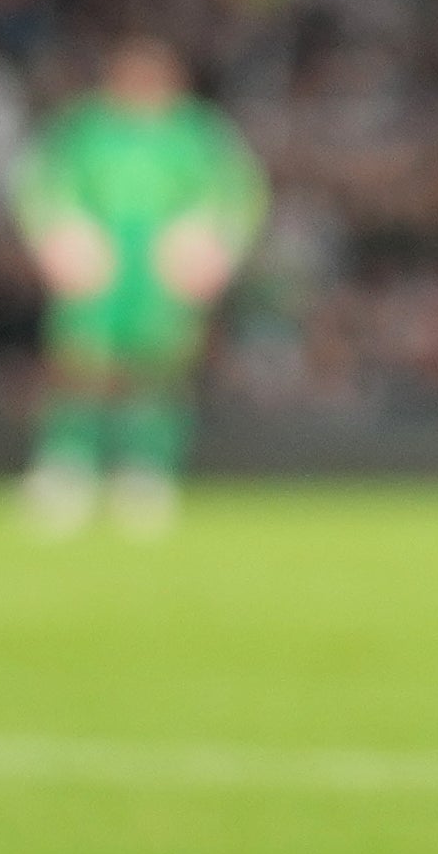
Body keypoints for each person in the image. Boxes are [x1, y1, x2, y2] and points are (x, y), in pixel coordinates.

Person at [14, 36, 261, 535]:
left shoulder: (197, 132)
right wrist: (56, 239)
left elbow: (239, 193)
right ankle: (68, 466)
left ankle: (146, 472)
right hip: (101, 265)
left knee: (158, 372)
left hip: (160, 271)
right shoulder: (86, 129)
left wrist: (217, 248)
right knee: (81, 364)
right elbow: (41, 185)